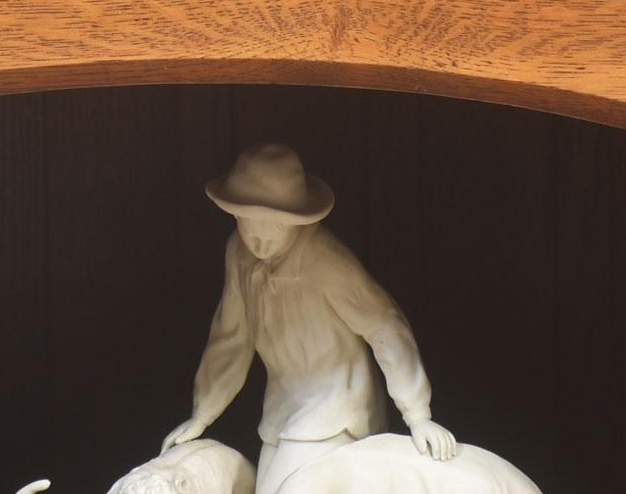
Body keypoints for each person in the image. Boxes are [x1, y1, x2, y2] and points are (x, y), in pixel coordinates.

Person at [162, 144, 458, 494]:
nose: (261, 241)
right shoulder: (238, 254)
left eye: (275, 229)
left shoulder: (326, 260)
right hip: (281, 410)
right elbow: (231, 335)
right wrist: (204, 412)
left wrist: (417, 414)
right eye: (251, 227)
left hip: (334, 409)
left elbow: (384, 324)